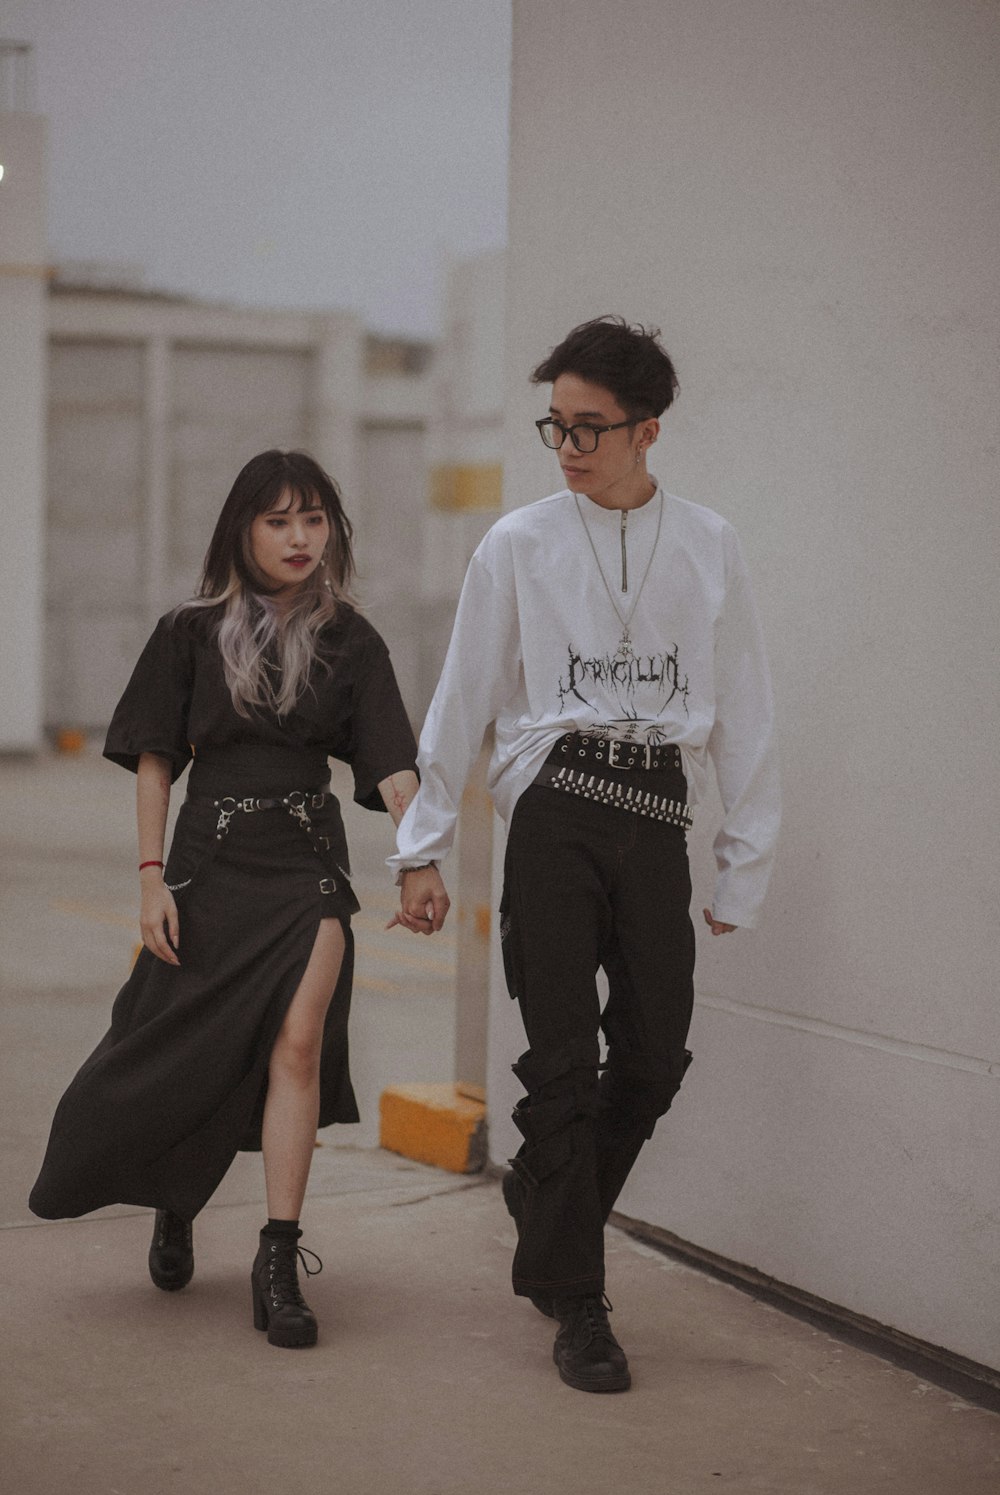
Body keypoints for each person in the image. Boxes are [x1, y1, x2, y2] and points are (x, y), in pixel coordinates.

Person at [390, 317, 780, 1393]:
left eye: (589, 427)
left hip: (655, 810)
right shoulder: (517, 543)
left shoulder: (708, 543)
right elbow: (461, 695)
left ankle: (548, 1208)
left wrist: (745, 859)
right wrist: (417, 847)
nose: (566, 445)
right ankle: (581, 1304)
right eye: (553, 425)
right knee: (561, 1066)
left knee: (652, 1059)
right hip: (555, 805)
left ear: (647, 430)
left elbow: (745, 703)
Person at [30, 449, 420, 1350]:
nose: (299, 538)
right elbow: (158, 756)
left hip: (308, 866)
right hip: (209, 864)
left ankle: (277, 1256)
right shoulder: (189, 631)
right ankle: (176, 1198)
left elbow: (390, 758)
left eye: (315, 520)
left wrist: (417, 844)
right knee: (178, 1051)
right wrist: (146, 878)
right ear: (242, 529)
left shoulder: (352, 638)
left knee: (297, 1046)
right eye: (279, 520)